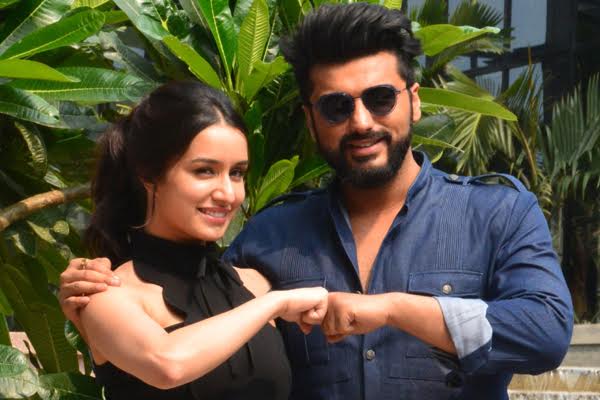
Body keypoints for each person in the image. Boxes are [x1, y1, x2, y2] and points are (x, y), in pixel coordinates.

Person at [59, 3, 574, 400]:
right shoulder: (269, 239)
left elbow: (545, 335)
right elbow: (191, 316)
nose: (362, 122)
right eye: (336, 106)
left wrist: (395, 308)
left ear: (414, 100)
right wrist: (92, 291)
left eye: (380, 98)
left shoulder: (497, 214)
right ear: (310, 120)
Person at [67, 80, 328, 400]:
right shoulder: (106, 296)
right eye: (205, 171)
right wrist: (275, 303)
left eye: (237, 173)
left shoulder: (255, 283)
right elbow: (167, 365)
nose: (228, 194)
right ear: (149, 174)